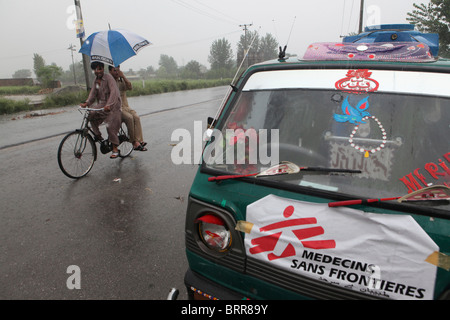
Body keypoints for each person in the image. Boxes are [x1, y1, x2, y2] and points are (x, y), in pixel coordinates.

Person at [80, 62, 122, 159]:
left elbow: (114, 93)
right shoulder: (95, 80)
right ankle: (98, 135)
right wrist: (86, 103)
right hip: (102, 104)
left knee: (109, 126)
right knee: (91, 114)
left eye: (99, 69)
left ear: (103, 69)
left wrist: (109, 105)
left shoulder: (109, 78)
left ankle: (115, 148)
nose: (97, 71)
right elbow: (92, 94)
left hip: (113, 105)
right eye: (95, 69)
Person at [109, 65, 148, 151]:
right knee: (129, 118)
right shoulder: (109, 82)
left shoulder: (121, 80)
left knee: (136, 117)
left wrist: (123, 76)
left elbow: (130, 87)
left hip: (126, 106)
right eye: (114, 70)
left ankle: (139, 140)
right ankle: (134, 142)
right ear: (110, 72)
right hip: (117, 108)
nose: (116, 72)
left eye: (118, 70)